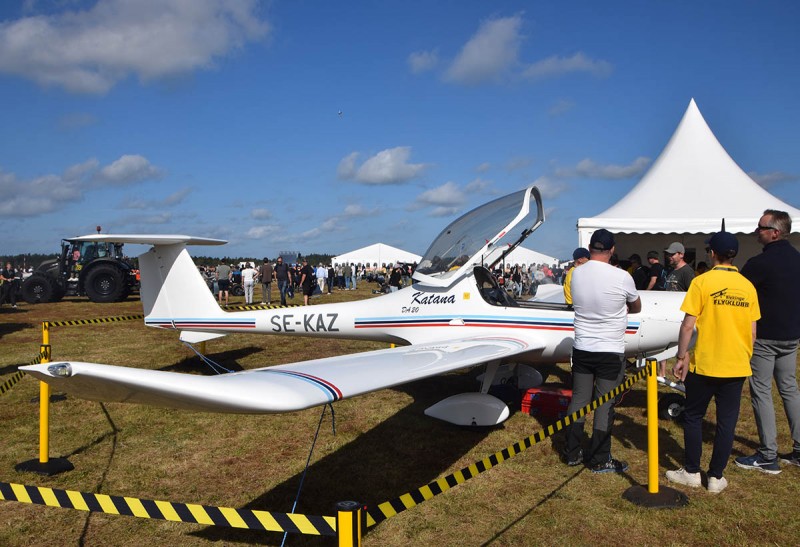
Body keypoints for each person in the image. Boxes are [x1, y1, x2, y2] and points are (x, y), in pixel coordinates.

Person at [666, 231, 760, 494]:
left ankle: (693, 472)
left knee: (694, 416)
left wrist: (681, 356)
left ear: (712, 254)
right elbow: (752, 332)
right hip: (736, 364)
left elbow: (687, 325)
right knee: (726, 422)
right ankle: (716, 477)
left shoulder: (701, 282)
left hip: (705, 363)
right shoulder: (747, 286)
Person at [563, 229, 641, 473]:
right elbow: (636, 306)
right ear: (612, 250)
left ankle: (571, 453)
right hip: (609, 350)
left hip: (583, 347)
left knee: (579, 400)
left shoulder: (576, 274)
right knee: (604, 404)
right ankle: (599, 458)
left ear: (590, 247)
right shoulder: (621, 277)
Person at [735, 209, 800, 472]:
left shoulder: (758, 263)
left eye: (761, 227)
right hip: (791, 335)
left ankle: (767, 454)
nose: (756, 231)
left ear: (774, 232)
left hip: (765, 336)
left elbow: (738, 291)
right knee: (789, 389)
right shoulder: (797, 258)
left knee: (761, 391)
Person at [659, 242, 696, 376]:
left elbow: (693, 294)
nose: (669, 257)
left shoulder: (687, 272)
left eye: (672, 254)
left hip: (681, 316)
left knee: (683, 347)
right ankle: (662, 373)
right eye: (668, 254)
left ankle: (683, 377)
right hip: (669, 315)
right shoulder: (671, 271)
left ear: (681, 255)